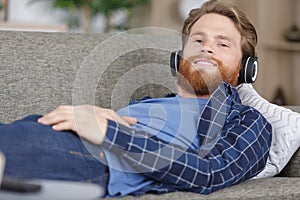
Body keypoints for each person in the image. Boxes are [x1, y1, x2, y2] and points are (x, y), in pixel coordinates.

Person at [0, 0, 272, 197]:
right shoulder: (147, 103)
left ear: (246, 68)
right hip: (50, 131)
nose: (207, 48)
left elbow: (210, 173)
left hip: (93, 158)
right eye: (197, 41)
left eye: (222, 44)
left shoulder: (248, 121)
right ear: (178, 58)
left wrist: (111, 132)